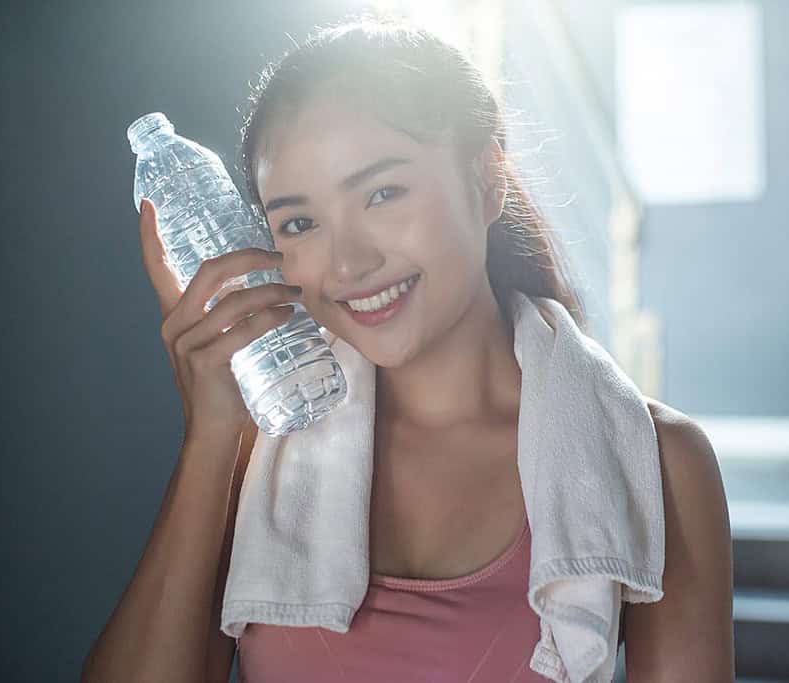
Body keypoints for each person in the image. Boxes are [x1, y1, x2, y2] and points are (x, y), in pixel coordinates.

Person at [82, 13, 734, 683]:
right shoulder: (255, 450)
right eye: (300, 222)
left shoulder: (655, 461)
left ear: (485, 180)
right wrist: (211, 434)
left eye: (382, 193)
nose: (348, 263)